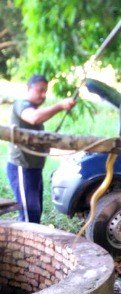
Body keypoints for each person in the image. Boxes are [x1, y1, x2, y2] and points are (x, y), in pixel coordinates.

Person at [7, 74, 76, 223]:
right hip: (22, 167)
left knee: (35, 211)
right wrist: (60, 106)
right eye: (40, 90)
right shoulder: (22, 104)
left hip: (34, 169)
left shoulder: (33, 109)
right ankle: (22, 245)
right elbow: (33, 117)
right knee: (29, 213)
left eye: (45, 91)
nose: (43, 95)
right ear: (28, 88)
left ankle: (27, 244)